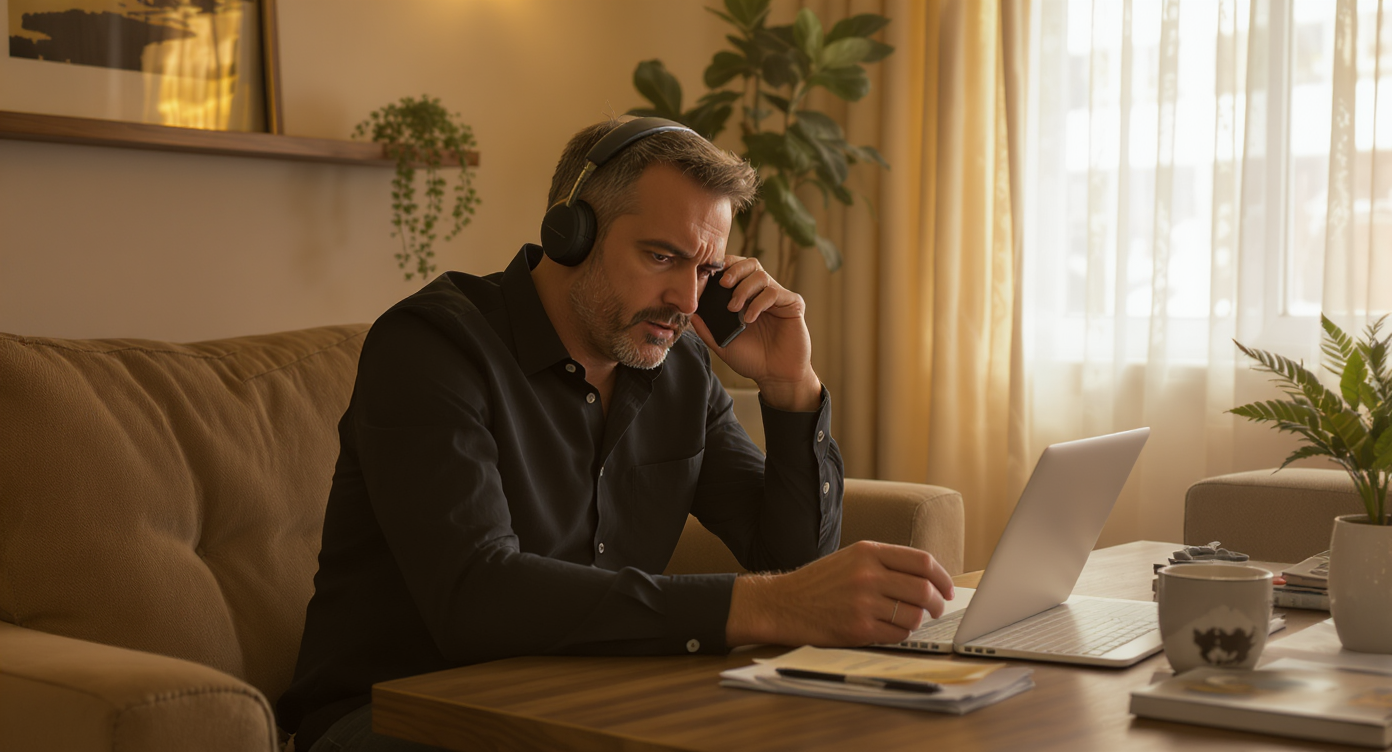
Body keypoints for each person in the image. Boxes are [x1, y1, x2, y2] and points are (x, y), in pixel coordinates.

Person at [276, 118, 955, 752]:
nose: (688, 302)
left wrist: (791, 386)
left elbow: (792, 563)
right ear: (569, 232)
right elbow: (475, 596)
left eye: (705, 269)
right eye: (662, 256)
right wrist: (761, 605)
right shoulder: (432, 347)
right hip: (399, 714)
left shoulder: (678, 365)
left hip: (589, 703)